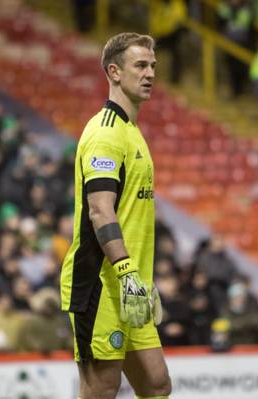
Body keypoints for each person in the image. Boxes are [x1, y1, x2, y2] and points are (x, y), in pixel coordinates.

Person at [60, 32, 171, 399]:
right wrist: (125, 272)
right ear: (114, 72)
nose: (150, 73)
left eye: (153, 65)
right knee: (100, 390)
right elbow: (99, 209)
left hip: (130, 288)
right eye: (140, 65)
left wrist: (138, 279)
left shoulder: (131, 131)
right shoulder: (106, 134)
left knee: (156, 384)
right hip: (101, 284)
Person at [217, 0, 253, 97]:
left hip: (242, 41)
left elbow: (246, 22)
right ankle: (235, 90)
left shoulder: (245, 9)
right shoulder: (225, 7)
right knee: (231, 66)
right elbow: (221, 19)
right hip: (229, 41)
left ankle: (241, 89)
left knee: (240, 66)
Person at [149, 0, 187, 84]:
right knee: (149, 49)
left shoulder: (177, 4)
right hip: (162, 35)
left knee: (177, 52)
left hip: (172, 34)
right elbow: (155, 21)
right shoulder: (160, 6)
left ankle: (175, 79)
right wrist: (155, 34)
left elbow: (178, 21)